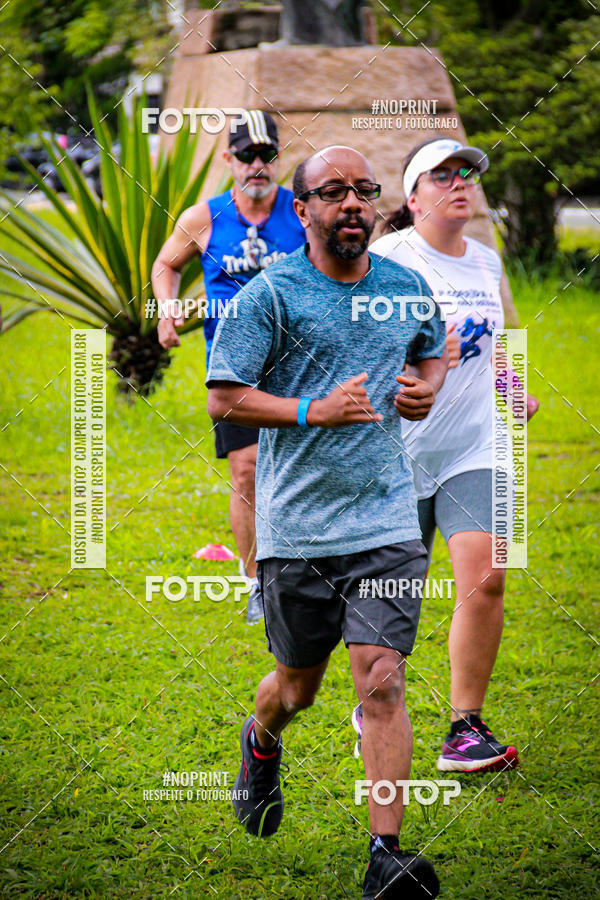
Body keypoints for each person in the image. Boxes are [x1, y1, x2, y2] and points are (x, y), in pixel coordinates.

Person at [206, 145, 448, 899]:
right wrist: (314, 409)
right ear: (302, 209)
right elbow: (225, 397)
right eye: (333, 192)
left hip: (383, 519)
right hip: (298, 530)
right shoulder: (270, 295)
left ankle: (386, 856)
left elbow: (433, 351)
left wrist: (424, 387)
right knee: (297, 689)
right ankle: (261, 741)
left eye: (362, 191)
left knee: (380, 680)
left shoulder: (406, 288)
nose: (352, 203)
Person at [351, 136, 539, 774]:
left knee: (487, 577)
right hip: (392, 455)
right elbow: (351, 353)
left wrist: (517, 395)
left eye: (466, 175)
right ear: (412, 196)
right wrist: (424, 359)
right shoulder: (387, 260)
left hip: (474, 448)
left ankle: (464, 728)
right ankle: (376, 707)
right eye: (442, 176)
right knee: (391, 594)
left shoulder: (486, 262)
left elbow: (503, 348)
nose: (459, 183)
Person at [152, 110, 305, 623]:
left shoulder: (302, 213)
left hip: (299, 360)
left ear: (278, 161)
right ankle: (256, 582)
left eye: (266, 155)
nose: (257, 165)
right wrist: (168, 308)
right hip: (234, 364)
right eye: (247, 155)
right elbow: (165, 264)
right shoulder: (206, 217)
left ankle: (309, 573)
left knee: (301, 469)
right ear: (229, 160)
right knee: (246, 470)